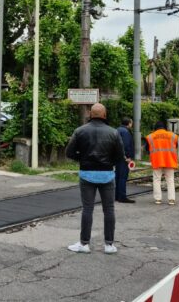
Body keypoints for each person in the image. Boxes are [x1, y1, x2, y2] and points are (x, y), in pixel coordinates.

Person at [64, 103, 125, 255]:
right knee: (109, 209)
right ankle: (109, 245)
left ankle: (84, 244)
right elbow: (119, 156)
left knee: (87, 209)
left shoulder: (80, 131)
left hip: (87, 174)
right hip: (107, 175)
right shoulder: (114, 133)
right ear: (105, 115)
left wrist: (83, 158)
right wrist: (108, 161)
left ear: (90, 114)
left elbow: (69, 153)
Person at [145, 121, 179, 205]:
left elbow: (147, 149)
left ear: (155, 128)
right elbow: (176, 146)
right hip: (169, 160)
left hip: (157, 161)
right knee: (170, 180)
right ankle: (171, 199)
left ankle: (158, 199)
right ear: (164, 127)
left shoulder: (150, 136)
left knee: (157, 180)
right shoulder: (172, 135)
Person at [115, 118, 136, 203]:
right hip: (124, 158)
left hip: (117, 157)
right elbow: (126, 145)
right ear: (129, 123)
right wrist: (128, 156)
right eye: (132, 123)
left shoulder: (117, 130)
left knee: (118, 176)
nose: (132, 125)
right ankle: (122, 196)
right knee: (123, 177)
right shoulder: (126, 132)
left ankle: (116, 196)